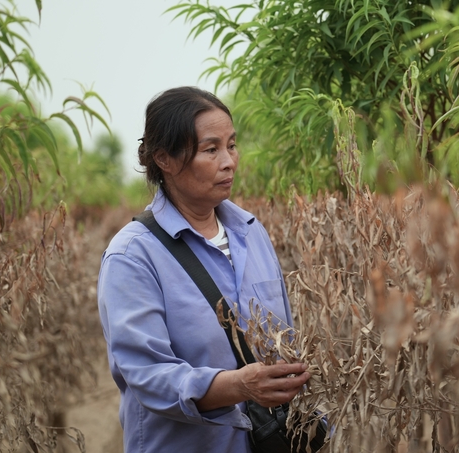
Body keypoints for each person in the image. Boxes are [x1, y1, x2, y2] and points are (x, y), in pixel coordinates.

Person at [97, 86, 311, 452]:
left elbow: (283, 339)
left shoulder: (251, 233)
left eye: (232, 145)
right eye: (211, 150)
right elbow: (148, 376)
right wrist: (240, 386)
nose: (229, 161)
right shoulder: (133, 256)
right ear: (164, 159)